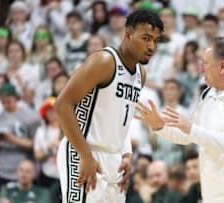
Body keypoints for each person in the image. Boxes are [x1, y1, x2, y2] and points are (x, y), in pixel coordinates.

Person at [135, 37, 224, 202]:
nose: (201, 68)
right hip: (213, 194)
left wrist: (191, 129)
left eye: (205, 63)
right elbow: (189, 135)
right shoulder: (209, 93)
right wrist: (159, 126)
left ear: (222, 66)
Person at [55, 9, 163, 203]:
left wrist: (127, 154)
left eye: (156, 40)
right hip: (84, 150)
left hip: (114, 156)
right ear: (128, 35)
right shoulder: (104, 61)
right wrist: (85, 156)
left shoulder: (141, 73)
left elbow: (123, 118)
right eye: (146, 38)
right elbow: (62, 105)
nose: (151, 46)